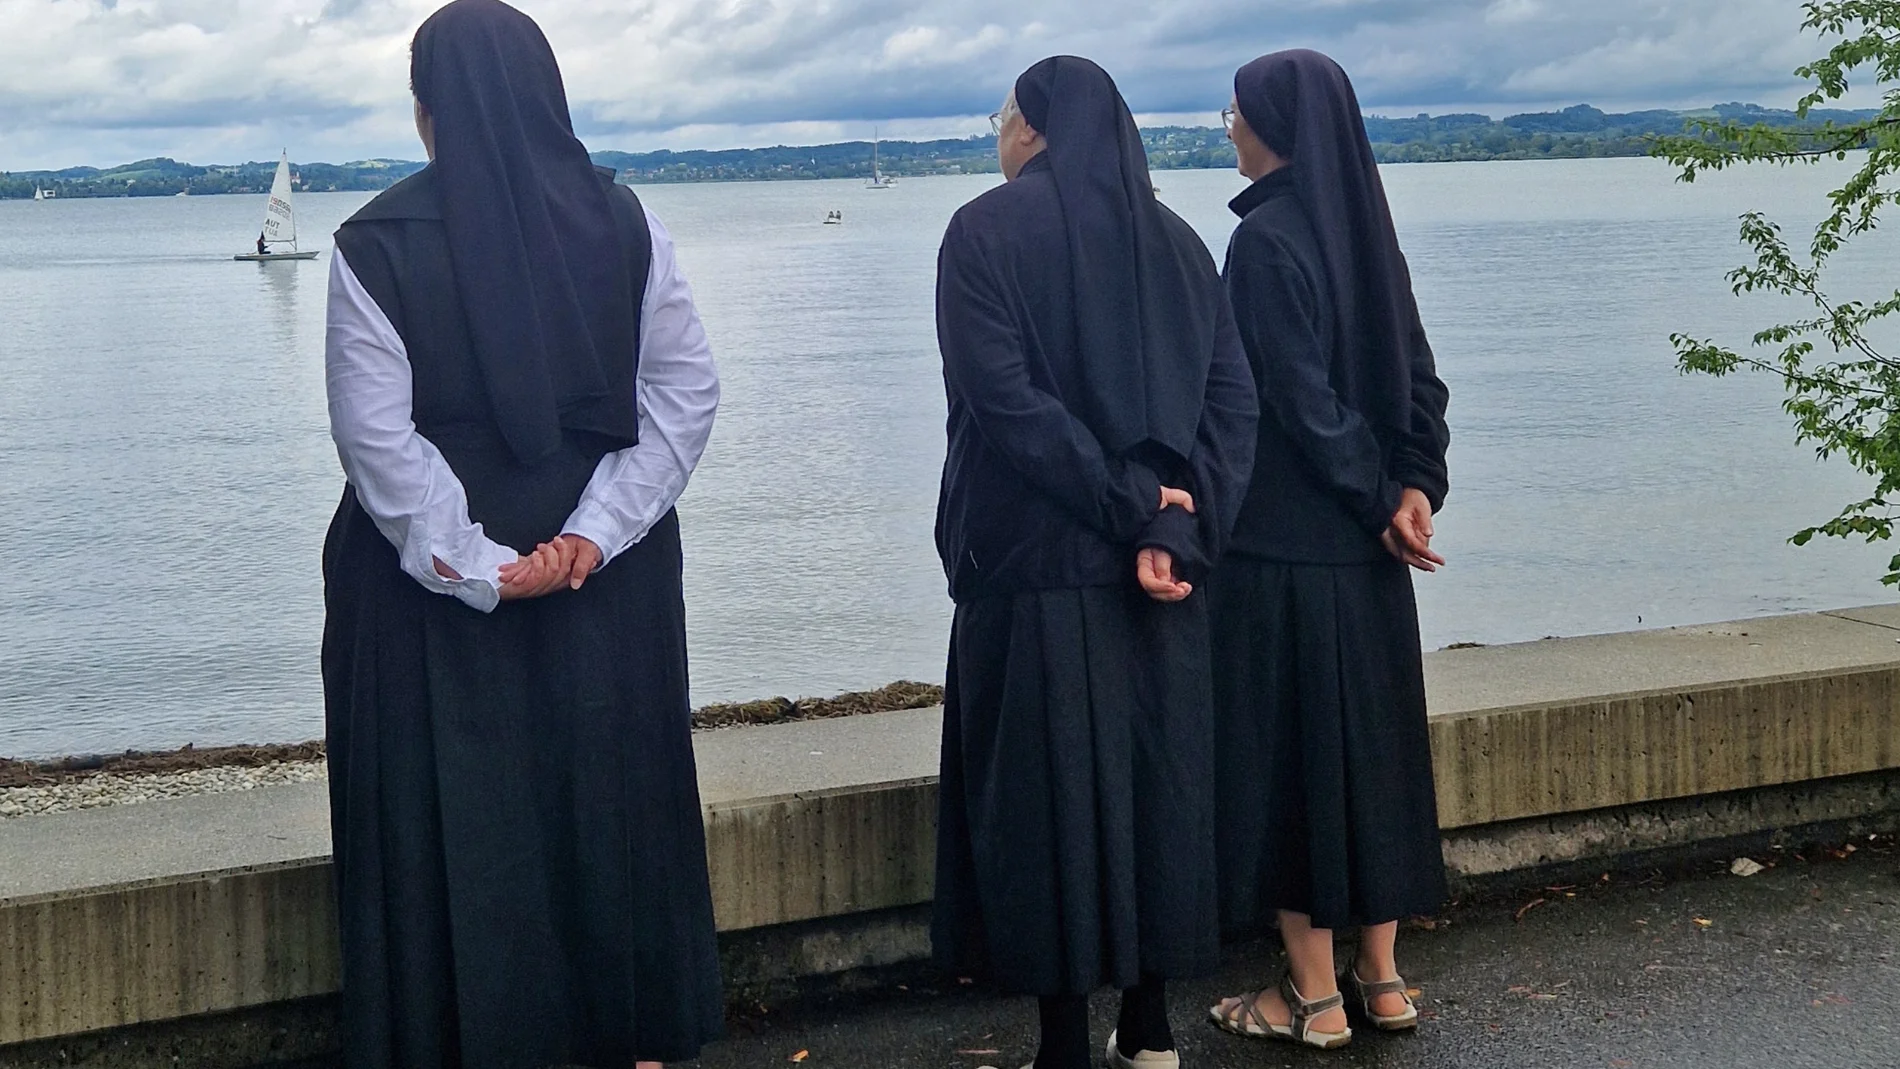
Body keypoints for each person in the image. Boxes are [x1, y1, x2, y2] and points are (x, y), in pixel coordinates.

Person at [319, 2, 722, 1067]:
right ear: (553, 96)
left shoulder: (374, 241)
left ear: (425, 111)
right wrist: (588, 538)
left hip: (426, 599)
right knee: (609, 804)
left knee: (454, 832)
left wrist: (483, 567)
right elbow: (685, 397)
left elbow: (375, 441)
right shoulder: (630, 221)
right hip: (610, 581)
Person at [933, 56, 1259, 1069]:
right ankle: (1151, 1025)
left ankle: (1063, 1040)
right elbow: (1230, 408)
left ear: (1031, 127)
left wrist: (1127, 507)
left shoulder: (980, 232)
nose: (997, 134)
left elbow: (1008, 405)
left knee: (1043, 806)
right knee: (1159, 789)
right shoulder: (1180, 244)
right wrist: (1172, 525)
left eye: (1000, 117)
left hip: (1029, 567)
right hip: (1160, 577)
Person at [1204, 49, 1452, 1051]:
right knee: (1374, 758)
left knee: (1290, 765)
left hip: (1285, 551)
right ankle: (1382, 977)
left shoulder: (1263, 245)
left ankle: (1309, 997)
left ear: (1273, 126)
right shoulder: (1369, 231)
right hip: (1370, 557)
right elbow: (1419, 384)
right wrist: (1413, 489)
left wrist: (1375, 498)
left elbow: (1294, 404)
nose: (1226, 124)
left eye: (1236, 110)